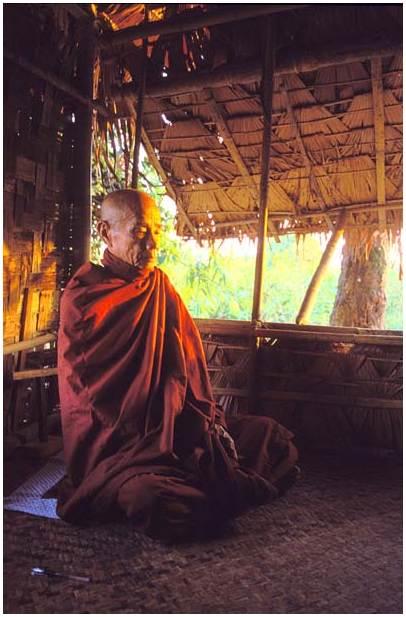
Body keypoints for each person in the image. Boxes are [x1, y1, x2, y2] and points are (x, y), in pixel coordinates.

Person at [57, 189, 299, 542]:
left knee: (270, 436)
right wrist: (154, 429)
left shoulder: (159, 286)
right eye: (140, 231)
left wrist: (210, 425)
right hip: (122, 450)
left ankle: (210, 487)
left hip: (179, 433)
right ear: (106, 232)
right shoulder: (83, 299)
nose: (154, 243)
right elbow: (89, 400)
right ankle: (210, 492)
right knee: (154, 501)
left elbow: (188, 371)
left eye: (157, 230)